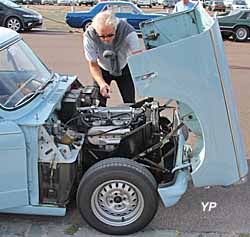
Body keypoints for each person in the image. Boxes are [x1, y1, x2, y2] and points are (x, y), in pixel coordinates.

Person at [83, 11, 142, 106]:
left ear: (115, 28)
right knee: (98, 105)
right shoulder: (89, 35)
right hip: (102, 68)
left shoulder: (128, 31)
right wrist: (102, 84)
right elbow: (93, 64)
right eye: (102, 36)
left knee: (130, 103)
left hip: (124, 67)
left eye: (110, 35)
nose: (106, 39)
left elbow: (138, 57)